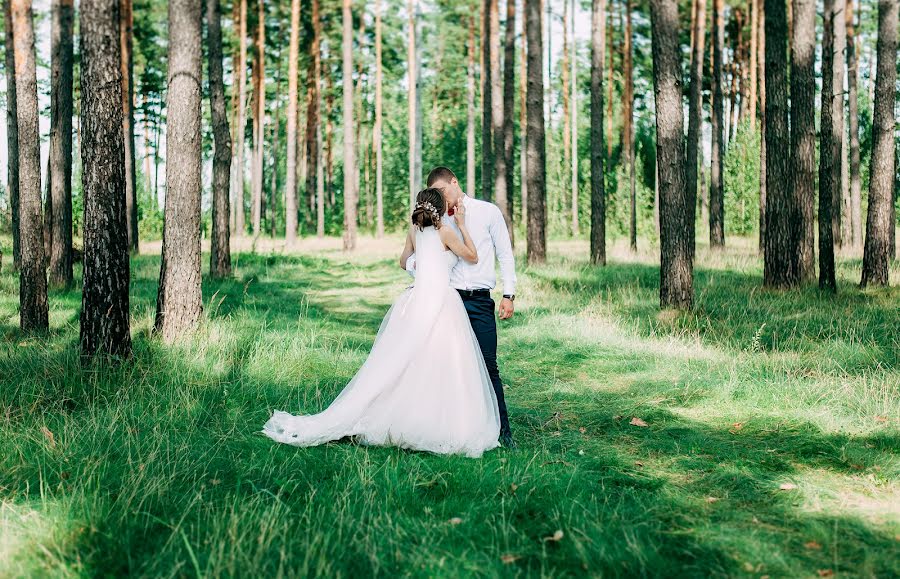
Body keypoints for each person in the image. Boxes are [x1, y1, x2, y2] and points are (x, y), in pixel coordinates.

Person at [262, 188, 501, 458]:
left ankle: (401, 413)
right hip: (443, 301)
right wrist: (462, 225)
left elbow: (403, 262)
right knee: (441, 362)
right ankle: (433, 418)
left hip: (416, 299)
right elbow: (472, 255)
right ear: (439, 207)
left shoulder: (414, 231)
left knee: (407, 360)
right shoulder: (446, 232)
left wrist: (422, 266)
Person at [401, 166, 517, 448]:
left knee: (488, 365)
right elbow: (413, 257)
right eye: (436, 195)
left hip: (479, 300)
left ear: (455, 182)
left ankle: (503, 430)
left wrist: (509, 294)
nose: (441, 198)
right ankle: (452, 426)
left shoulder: (488, 211)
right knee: (448, 367)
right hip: (447, 301)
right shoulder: (434, 221)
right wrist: (424, 273)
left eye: (443, 191)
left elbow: (505, 253)